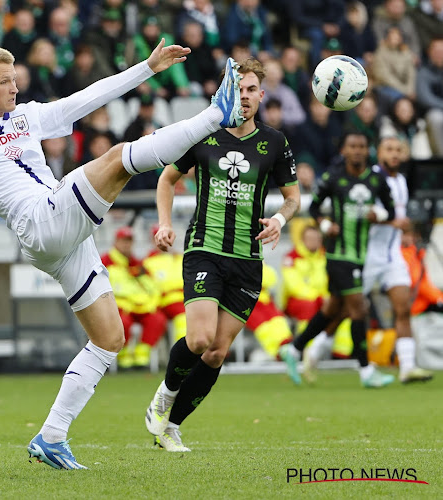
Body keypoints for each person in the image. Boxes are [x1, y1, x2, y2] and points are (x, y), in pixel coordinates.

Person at [0, 41, 245, 469]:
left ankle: (51, 437)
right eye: (4, 82)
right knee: (117, 159)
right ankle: (217, 115)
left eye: (15, 79)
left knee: (109, 340)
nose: (14, 88)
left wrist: (147, 67)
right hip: (39, 221)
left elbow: (88, 98)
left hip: (62, 236)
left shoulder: (26, 116)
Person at [144, 58, 300, 453]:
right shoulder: (204, 136)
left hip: (248, 260)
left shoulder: (275, 142)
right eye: (238, 89)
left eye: (251, 90)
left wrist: (280, 218)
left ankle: (171, 427)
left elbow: (293, 196)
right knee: (198, 340)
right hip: (205, 250)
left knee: (216, 353)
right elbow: (167, 178)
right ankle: (163, 396)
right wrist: (165, 223)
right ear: (225, 92)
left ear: (262, 96)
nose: (244, 97)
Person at [301, 136, 433, 384]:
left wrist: (403, 228)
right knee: (342, 311)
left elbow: (395, 214)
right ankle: (314, 351)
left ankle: (407, 367)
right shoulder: (370, 178)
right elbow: (368, 214)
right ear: (379, 153)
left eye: (398, 150)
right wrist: (385, 218)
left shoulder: (402, 181)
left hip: (392, 254)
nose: (394, 154)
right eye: (389, 150)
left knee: (402, 307)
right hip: (365, 253)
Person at [279, 131, 396, 388]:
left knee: (332, 309)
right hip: (338, 253)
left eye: (362, 146)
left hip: (360, 254)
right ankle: (366, 370)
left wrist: (379, 213)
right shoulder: (333, 177)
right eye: (352, 146)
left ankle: (295, 349)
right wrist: (325, 225)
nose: (357, 150)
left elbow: (391, 210)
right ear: (343, 150)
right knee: (358, 308)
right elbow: (313, 207)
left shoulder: (376, 179)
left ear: (368, 150)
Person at [101, 226, 167, 369]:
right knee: (122, 322)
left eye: (129, 241)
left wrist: (151, 303)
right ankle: (123, 358)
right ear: (116, 242)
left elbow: (152, 286)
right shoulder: (105, 261)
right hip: (118, 307)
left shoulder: (137, 263)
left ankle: (141, 357)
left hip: (140, 307)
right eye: (124, 241)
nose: (127, 244)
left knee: (157, 319)